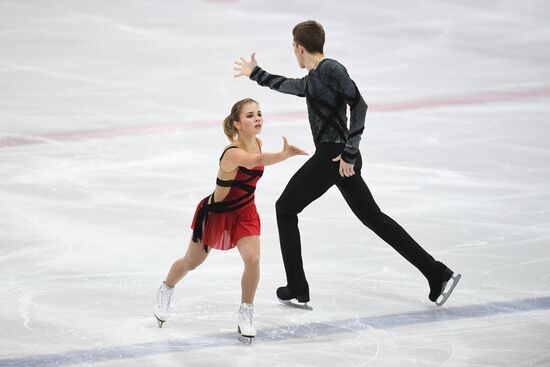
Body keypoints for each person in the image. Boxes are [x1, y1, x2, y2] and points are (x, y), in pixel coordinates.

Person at [233, 20, 460, 309]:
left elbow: (360, 105)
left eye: (293, 48)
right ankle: (438, 274)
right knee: (374, 218)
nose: (294, 53)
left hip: (334, 156)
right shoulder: (315, 78)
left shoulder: (331, 69)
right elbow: (292, 86)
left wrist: (350, 153)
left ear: (300, 48)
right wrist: (257, 74)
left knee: (285, 208)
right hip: (337, 158)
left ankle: (297, 285)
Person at [153, 98, 307, 343]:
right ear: (236, 124)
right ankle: (167, 287)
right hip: (217, 213)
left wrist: (279, 154)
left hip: (245, 212)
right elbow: (255, 162)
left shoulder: (257, 142)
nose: (257, 118)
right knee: (192, 262)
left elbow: (258, 158)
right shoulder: (232, 153)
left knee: (253, 259)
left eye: (259, 113)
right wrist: (284, 154)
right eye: (249, 115)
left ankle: (246, 312)